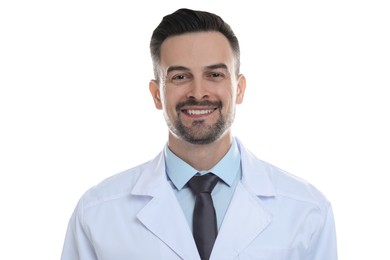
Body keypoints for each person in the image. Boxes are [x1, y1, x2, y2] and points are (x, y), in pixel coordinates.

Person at [61, 8, 338, 260]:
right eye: (180, 77)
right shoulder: (98, 214)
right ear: (157, 94)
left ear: (239, 89)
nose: (197, 92)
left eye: (215, 75)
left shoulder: (307, 211)